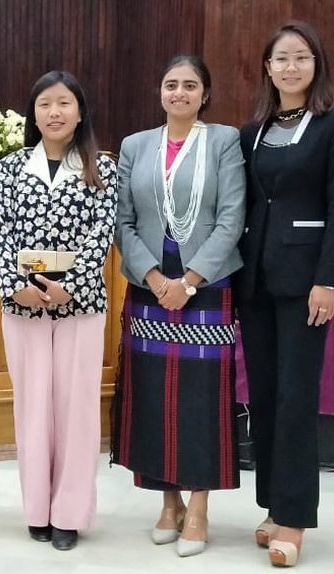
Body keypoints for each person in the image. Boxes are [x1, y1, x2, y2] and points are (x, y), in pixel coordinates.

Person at [111, 55, 245, 557]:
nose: (180, 93)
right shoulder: (135, 145)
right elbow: (122, 220)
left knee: (200, 399)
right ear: (160, 92)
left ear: (204, 94)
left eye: (190, 86)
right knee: (151, 395)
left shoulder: (224, 141)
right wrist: (152, 276)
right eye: (171, 84)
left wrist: (188, 281)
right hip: (149, 286)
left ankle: (201, 506)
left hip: (205, 286)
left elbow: (232, 217)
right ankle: (168, 503)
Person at [236, 20, 334, 567]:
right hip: (256, 281)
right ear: (267, 67)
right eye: (281, 58)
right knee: (262, 397)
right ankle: (272, 504)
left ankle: (295, 518)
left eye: (301, 58)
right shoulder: (254, 129)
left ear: (317, 65)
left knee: (295, 399)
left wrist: (329, 279)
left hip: (307, 282)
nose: (290, 67)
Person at [0, 71, 117, 551]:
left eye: (64, 103)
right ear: (34, 113)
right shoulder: (10, 167)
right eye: (45, 104)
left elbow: (101, 234)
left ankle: (68, 513)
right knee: (32, 405)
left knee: (76, 408)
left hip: (80, 307)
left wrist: (71, 287)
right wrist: (16, 286)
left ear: (80, 111)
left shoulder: (101, 166)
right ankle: (36, 510)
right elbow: (0, 234)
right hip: (21, 305)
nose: (55, 112)